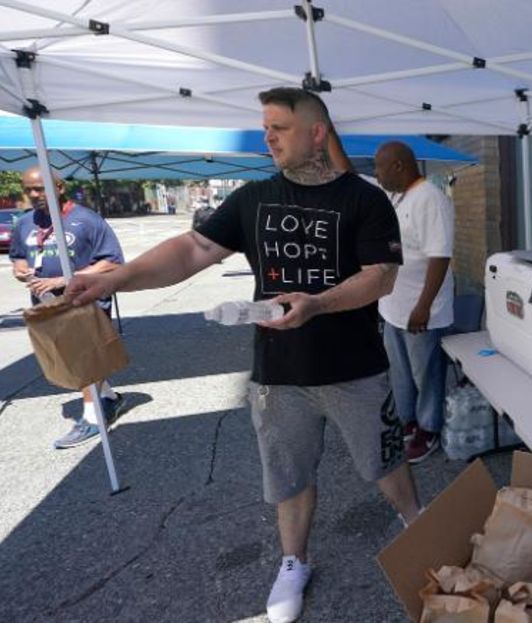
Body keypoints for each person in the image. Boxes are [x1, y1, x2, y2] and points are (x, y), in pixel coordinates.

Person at [65, 87, 422, 623]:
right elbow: (192, 251)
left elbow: (381, 277)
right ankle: (294, 561)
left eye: (279, 126)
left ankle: (417, 525)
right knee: (288, 476)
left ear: (317, 133)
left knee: (386, 463)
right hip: (279, 375)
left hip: (357, 370)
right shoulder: (253, 199)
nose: (268, 136)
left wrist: (318, 303)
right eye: (265, 126)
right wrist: (116, 278)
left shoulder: (364, 199)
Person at [8, 165, 129, 449]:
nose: (34, 194)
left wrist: (66, 279)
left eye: (39, 188)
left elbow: (111, 260)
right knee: (67, 356)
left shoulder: (85, 220)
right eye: (28, 190)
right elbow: (17, 257)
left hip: (84, 301)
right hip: (48, 306)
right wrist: (21, 270)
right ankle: (109, 397)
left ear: (59, 188)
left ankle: (92, 417)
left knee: (82, 358)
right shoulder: (25, 223)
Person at [374, 141, 454, 464]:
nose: (376, 174)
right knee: (400, 372)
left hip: (420, 311)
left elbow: (440, 256)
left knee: (427, 374)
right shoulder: (398, 196)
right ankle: (408, 421)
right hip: (393, 307)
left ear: (399, 166)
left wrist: (422, 306)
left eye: (380, 167)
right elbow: (350, 174)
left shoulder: (430, 199)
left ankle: (429, 428)